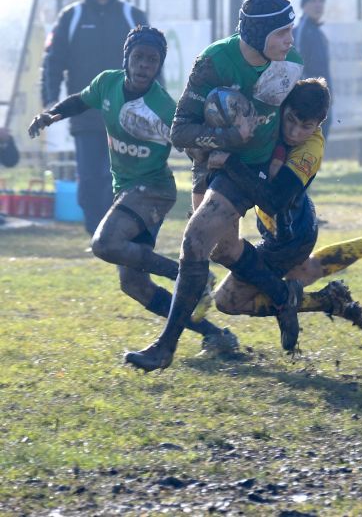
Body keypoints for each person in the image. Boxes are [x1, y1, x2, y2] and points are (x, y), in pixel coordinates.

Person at [125, 0, 306, 372]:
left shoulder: (290, 64)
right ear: (257, 34)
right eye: (282, 32)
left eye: (292, 30)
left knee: (194, 241)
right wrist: (224, 140)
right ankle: (283, 296)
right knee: (224, 249)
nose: (290, 40)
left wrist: (281, 170)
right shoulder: (214, 62)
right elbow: (180, 132)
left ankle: (165, 348)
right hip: (213, 161)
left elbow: (294, 127)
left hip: (250, 168)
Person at [29, 26, 238, 355]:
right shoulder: (107, 83)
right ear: (126, 58)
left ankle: (190, 275)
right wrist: (52, 115)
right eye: (138, 57)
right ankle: (215, 335)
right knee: (134, 285)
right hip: (127, 190)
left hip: (153, 189)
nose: (144, 65)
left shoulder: (164, 108)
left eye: (152, 61)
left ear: (159, 66)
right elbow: (80, 101)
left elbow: (192, 145)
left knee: (104, 243)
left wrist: (216, 159)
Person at [206, 79, 362, 322]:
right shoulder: (273, 116)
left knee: (227, 300)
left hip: (290, 234)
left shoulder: (311, 148)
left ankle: (324, 300)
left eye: (305, 126)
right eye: (291, 120)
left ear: (318, 125)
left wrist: (229, 163)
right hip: (291, 220)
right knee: (306, 270)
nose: (294, 133)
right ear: (284, 107)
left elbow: (275, 200)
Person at [41, 0, 148, 237]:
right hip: (86, 115)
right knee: (90, 181)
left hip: (127, 116)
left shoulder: (132, 15)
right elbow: (53, 61)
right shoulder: (71, 17)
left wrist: (149, 104)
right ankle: (98, 236)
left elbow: (152, 63)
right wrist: (51, 101)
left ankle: (123, 234)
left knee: (124, 180)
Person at [293, 0, 333, 139]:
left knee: (318, 146)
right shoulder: (301, 31)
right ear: (304, 5)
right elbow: (299, 66)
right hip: (310, 99)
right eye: (313, 1)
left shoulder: (317, 31)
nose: (318, 5)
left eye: (321, 1)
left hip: (322, 97)